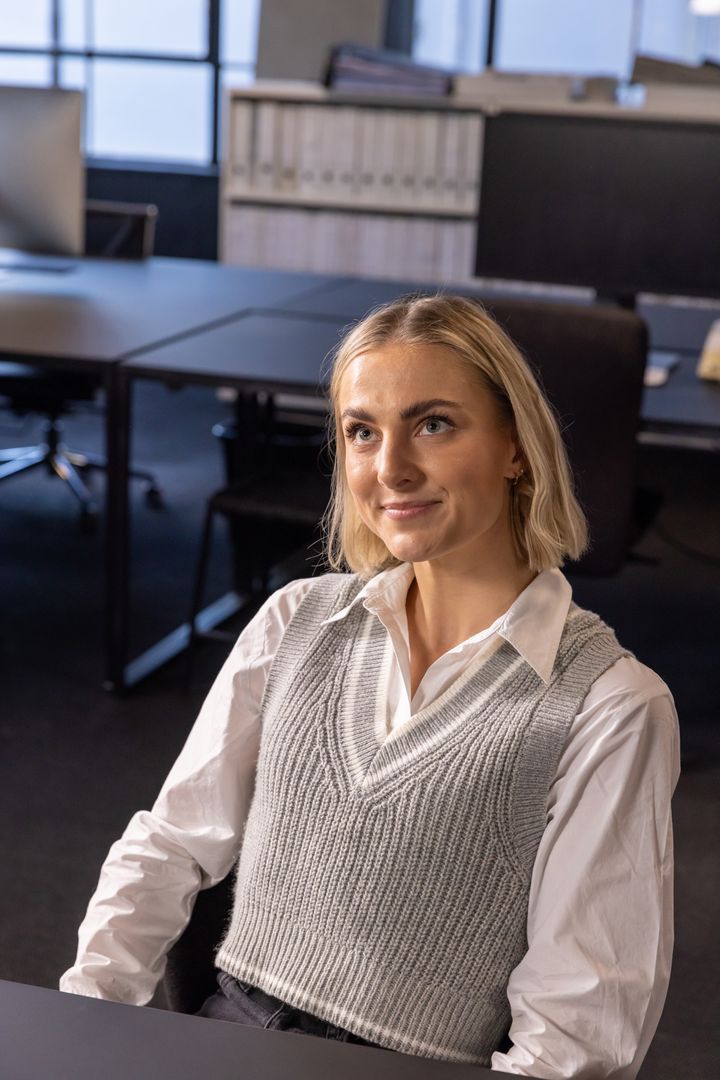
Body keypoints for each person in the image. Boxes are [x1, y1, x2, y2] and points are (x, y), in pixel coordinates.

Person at [61, 295, 679, 1077]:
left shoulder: (609, 706)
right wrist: (80, 1024)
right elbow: (171, 846)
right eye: (362, 432)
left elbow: (577, 1033)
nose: (390, 469)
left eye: (434, 424)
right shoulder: (295, 620)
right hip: (229, 1036)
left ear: (516, 447)